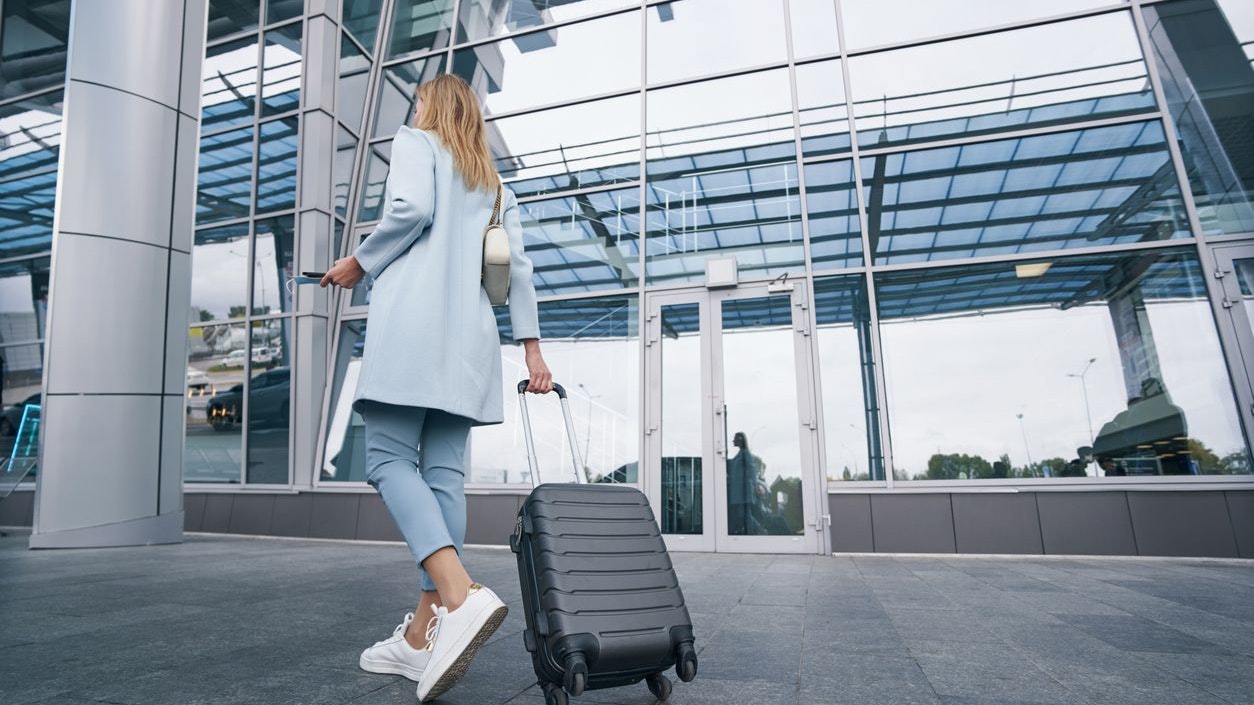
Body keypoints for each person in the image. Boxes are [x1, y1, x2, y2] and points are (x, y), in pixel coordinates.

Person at [319, 74, 552, 703]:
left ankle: (459, 595)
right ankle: (423, 635)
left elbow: (411, 211)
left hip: (414, 332)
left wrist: (359, 262)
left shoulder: (417, 143)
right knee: (443, 476)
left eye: (420, 100)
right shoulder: (494, 185)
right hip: (469, 345)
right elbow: (516, 273)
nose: (415, 108)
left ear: (432, 107)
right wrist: (531, 350)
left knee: (389, 459)